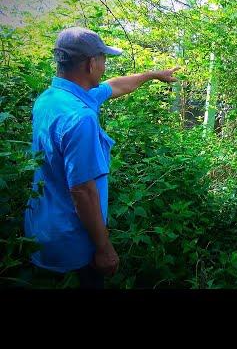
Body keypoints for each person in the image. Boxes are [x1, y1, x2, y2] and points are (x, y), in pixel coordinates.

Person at [24, 26, 179, 288]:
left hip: (40, 231)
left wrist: (152, 75)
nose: (105, 65)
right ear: (90, 63)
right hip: (73, 244)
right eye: (104, 59)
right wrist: (104, 248)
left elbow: (114, 86)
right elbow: (83, 191)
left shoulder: (51, 99)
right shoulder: (80, 118)